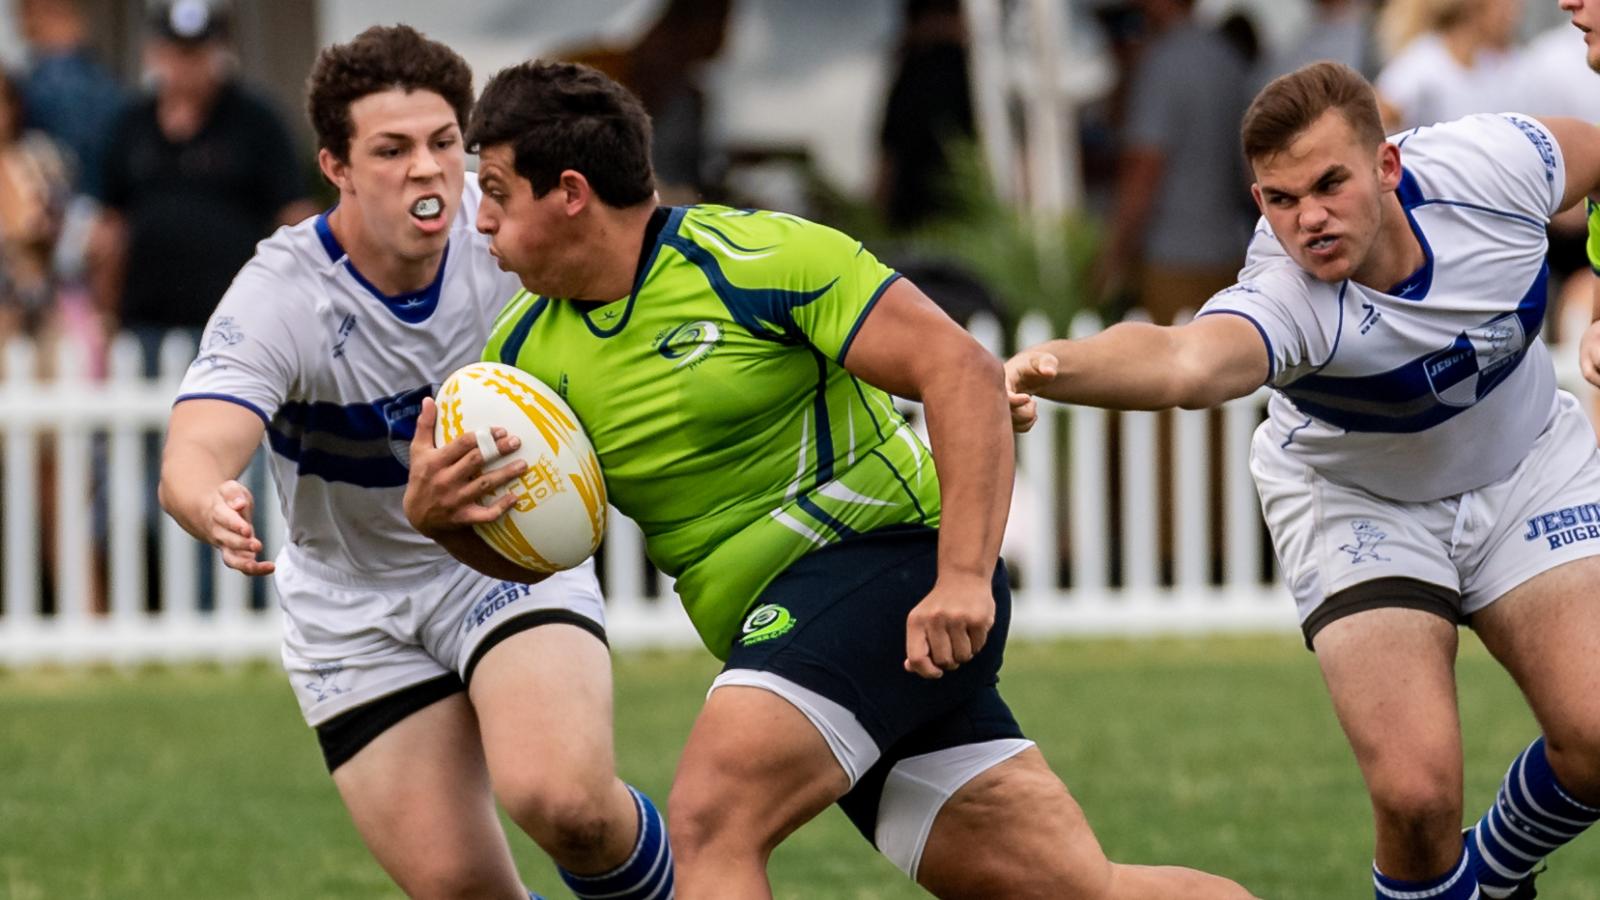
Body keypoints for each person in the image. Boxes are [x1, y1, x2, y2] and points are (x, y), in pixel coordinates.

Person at [405, 58, 1257, 899]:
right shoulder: (516, 358)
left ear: (570, 191)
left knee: (710, 822)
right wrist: (448, 521)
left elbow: (959, 370)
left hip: (889, 570)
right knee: (1076, 890)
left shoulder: (754, 258)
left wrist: (962, 577)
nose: (480, 221)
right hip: (788, 636)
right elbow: (545, 550)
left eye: (497, 191)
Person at [1006, 61, 1600, 900]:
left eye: (1330, 184)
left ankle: (1493, 873)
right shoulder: (1288, 294)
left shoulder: (1493, 165)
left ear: (1387, 166)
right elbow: (1183, 362)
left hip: (1528, 466)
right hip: (1360, 501)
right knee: (1416, 797)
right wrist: (1045, 367)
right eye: (1281, 200)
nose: (1310, 219)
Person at [158, 26, 673, 900]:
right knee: (460, 888)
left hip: (505, 560)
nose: (428, 169)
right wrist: (206, 498)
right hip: (352, 607)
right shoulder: (285, 292)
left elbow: (645, 251)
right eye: (391, 150)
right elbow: (198, 441)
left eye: (443, 143)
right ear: (337, 166)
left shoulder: (506, 233)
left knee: (567, 804)